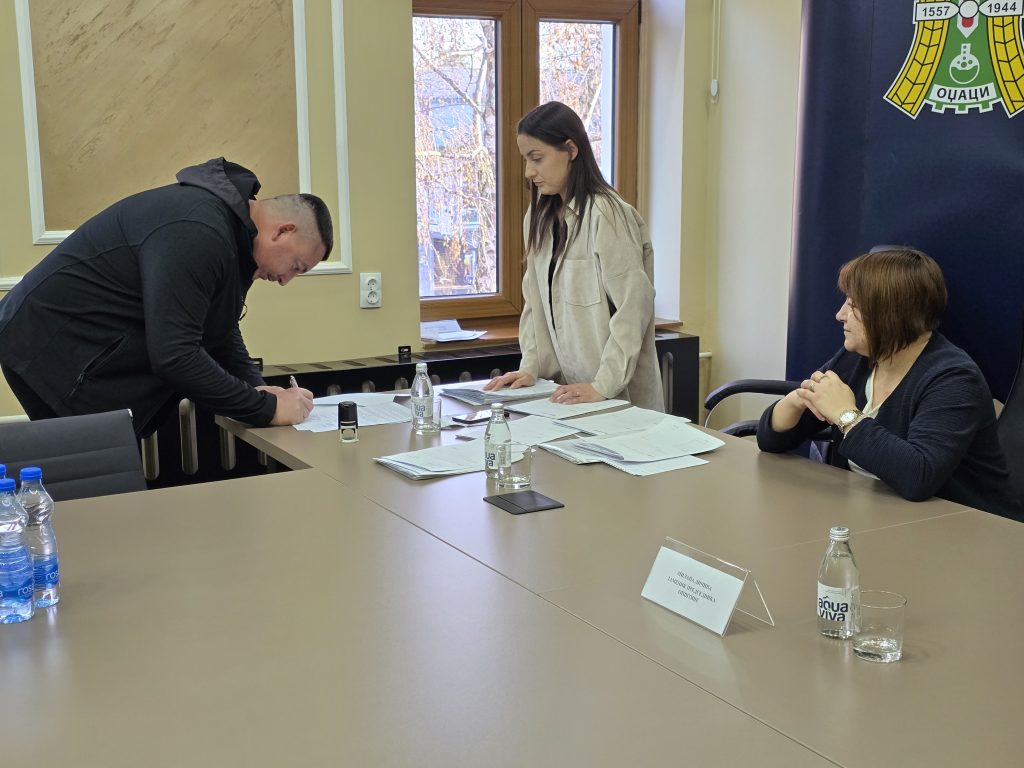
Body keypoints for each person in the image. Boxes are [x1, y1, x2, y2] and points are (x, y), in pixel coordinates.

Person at [0, 157, 331, 438]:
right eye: (296, 266)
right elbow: (175, 355)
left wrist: (257, 388)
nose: (286, 280)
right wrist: (266, 408)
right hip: (50, 344)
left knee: (107, 473)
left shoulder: (232, 234)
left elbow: (218, 326)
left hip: (78, 345)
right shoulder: (199, 231)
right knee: (98, 475)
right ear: (283, 230)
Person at [757, 248, 1021, 520]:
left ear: (890, 314)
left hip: (965, 528)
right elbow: (770, 440)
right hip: (874, 515)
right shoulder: (856, 357)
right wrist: (796, 400)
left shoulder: (954, 378)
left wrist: (846, 416)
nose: (840, 314)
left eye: (853, 305)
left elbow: (918, 476)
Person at [484, 101, 664, 411]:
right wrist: (530, 367)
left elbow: (633, 306)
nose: (529, 172)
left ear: (570, 149)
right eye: (526, 159)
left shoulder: (607, 214)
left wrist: (602, 386)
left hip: (617, 398)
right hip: (568, 396)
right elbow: (535, 303)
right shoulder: (537, 218)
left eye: (537, 158)